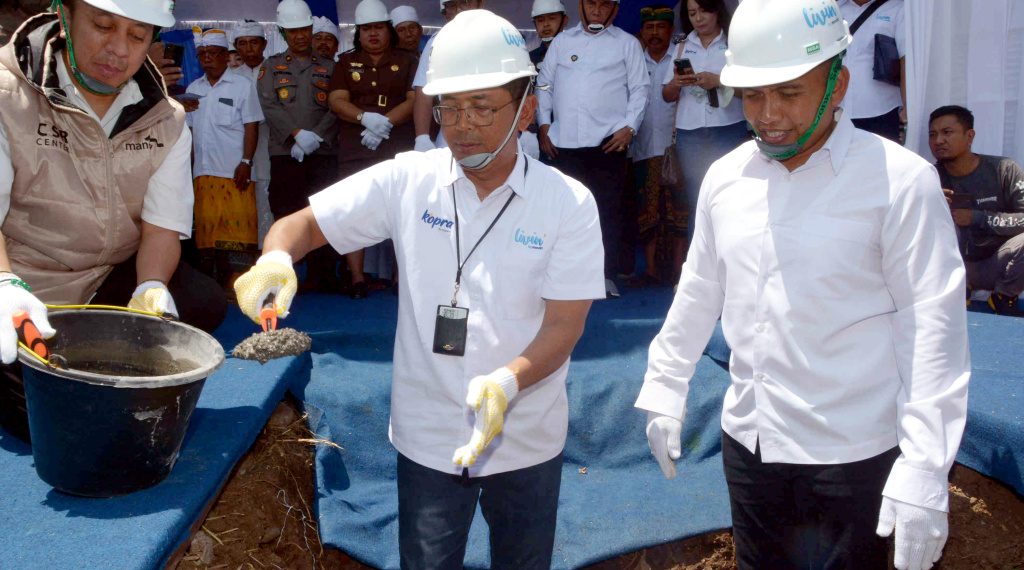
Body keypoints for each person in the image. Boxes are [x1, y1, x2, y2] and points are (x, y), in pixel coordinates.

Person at [233, 10, 604, 567]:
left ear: (526, 109)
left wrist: (508, 382)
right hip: (428, 434)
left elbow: (565, 325)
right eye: (449, 107)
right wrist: (276, 259)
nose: (463, 125)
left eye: (482, 106)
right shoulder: (409, 180)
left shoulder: (567, 203)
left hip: (526, 432)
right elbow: (300, 225)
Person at [636, 1, 970, 569]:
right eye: (752, 95)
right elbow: (699, 288)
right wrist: (666, 385)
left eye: (789, 93)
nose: (769, 115)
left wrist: (924, 465)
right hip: (751, 443)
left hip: (855, 453)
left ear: (838, 83)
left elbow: (932, 328)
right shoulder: (726, 178)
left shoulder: (899, 182)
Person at [0, 0, 227, 441]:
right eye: (103, 26)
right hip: (23, 282)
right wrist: (5, 284)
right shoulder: (8, 97)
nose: (119, 50)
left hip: (105, 279)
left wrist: (151, 286)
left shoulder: (167, 119)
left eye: (138, 36)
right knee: (46, 422)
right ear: (65, 16)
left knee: (201, 300)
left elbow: (161, 227)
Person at [536, 0, 649, 297]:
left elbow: (640, 88)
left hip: (608, 144)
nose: (597, 10)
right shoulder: (562, 42)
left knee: (607, 212)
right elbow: (544, 85)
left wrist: (630, 127)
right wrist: (544, 124)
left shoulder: (627, 44)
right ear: (581, 6)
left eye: (604, 4)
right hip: (563, 144)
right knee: (563, 213)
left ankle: (605, 276)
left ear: (615, 9)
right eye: (592, 3)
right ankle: (562, 277)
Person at [329, 0, 417, 298]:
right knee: (354, 210)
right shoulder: (345, 62)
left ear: (389, 30)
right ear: (358, 33)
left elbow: (414, 99)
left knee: (402, 211)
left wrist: (385, 123)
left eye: (378, 27)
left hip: (397, 144)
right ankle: (357, 278)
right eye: (366, 29)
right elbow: (337, 100)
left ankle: (400, 278)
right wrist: (364, 118)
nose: (373, 34)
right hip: (356, 146)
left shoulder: (408, 60)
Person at [257, 0, 340, 291]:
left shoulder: (331, 67)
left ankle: (324, 275)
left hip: (323, 151)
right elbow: (269, 105)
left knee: (325, 212)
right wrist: (295, 135)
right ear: (283, 33)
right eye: (293, 31)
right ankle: (285, 275)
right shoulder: (271, 66)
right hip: (285, 152)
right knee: (286, 209)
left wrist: (315, 136)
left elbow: (337, 105)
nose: (300, 36)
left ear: (311, 28)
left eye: (304, 29)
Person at [662, 0, 747, 245]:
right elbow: (666, 96)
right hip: (690, 133)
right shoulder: (682, 46)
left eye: (703, 11)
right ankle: (698, 261)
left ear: (716, 10)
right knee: (698, 199)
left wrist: (719, 81)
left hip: (728, 129)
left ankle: (732, 257)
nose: (698, 19)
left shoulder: (734, 43)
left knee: (731, 198)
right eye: (692, 13)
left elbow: (751, 90)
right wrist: (676, 83)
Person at [186, 29, 264, 290]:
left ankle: (238, 285)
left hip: (235, 172)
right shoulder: (193, 89)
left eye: (213, 53)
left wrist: (246, 162)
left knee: (238, 231)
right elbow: (190, 132)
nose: (207, 58)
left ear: (224, 55)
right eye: (202, 54)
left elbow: (252, 126)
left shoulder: (242, 86)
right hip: (203, 172)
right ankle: (210, 286)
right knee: (207, 232)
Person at [929, 105, 1024, 316]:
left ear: (969, 136)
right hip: (942, 270)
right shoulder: (925, 177)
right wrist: (929, 201)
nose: (938, 141)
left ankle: (1004, 296)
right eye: (932, 134)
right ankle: (953, 292)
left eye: (947, 132)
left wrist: (978, 218)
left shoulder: (1004, 170)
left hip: (994, 264)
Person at [628, 5, 683, 286]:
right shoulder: (634, 60)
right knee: (647, 212)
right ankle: (650, 270)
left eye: (660, 27)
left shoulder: (681, 57)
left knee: (678, 211)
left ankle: (679, 270)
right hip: (643, 148)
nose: (654, 33)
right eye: (649, 28)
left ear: (670, 30)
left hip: (677, 149)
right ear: (642, 32)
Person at [412, 0, 484, 153]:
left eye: (464, 2)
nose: (459, 9)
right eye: (452, 5)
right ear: (445, 12)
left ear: (480, 3)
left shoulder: (498, 35)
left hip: (492, 130)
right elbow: (423, 91)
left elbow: (519, 86)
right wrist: (422, 137)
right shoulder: (435, 42)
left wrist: (527, 130)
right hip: (450, 136)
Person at [231, 20, 274, 246]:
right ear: (236, 46)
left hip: (269, 147)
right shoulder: (230, 76)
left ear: (264, 44)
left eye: (254, 42)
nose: (248, 48)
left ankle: (266, 253)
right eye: (242, 43)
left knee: (266, 205)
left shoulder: (275, 70)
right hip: (236, 150)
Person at [839, 0, 906, 142]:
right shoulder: (834, 9)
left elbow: (905, 60)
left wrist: (908, 106)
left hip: (883, 111)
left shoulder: (898, 8)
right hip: (837, 110)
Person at [529, 0, 568, 66]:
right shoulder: (529, 59)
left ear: (565, 20)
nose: (546, 24)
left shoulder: (578, 53)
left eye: (551, 18)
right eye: (540, 20)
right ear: (534, 24)